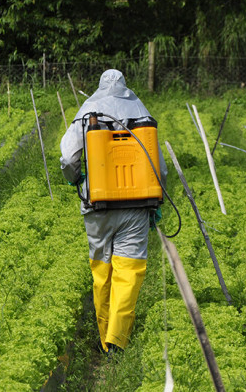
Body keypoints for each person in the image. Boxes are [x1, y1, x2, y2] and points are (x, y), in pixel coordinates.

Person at [59, 69, 167, 358]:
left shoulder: (87, 112)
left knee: (102, 269)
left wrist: (76, 179)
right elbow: (160, 167)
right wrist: (158, 204)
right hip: (137, 205)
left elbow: (69, 157)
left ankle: (105, 338)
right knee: (129, 271)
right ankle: (117, 340)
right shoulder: (142, 113)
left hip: (99, 205)